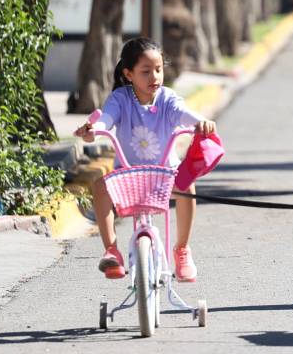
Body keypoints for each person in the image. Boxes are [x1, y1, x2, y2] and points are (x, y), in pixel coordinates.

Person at [74, 38, 216, 281]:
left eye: (158, 70)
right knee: (99, 188)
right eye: (146, 71)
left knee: (187, 186)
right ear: (129, 74)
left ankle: (181, 249)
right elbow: (106, 119)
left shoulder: (167, 98)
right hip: (128, 175)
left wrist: (200, 122)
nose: (155, 77)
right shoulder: (120, 99)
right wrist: (94, 130)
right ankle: (112, 250)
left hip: (164, 174)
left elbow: (183, 114)